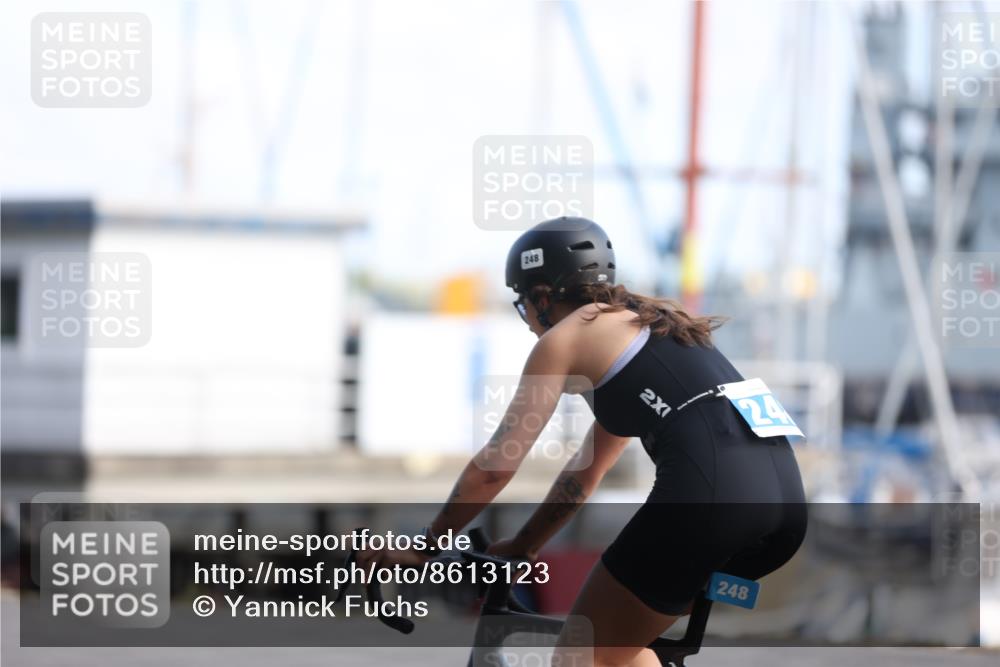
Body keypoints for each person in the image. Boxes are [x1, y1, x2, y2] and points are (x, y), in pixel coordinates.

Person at [358, 217, 808, 667]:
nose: (529, 323)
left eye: (522, 305)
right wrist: (524, 544)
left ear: (541, 296)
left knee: (578, 657)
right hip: (784, 505)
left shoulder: (566, 338)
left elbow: (495, 466)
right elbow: (585, 474)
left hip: (712, 498)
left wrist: (424, 546)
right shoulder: (654, 327)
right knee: (619, 654)